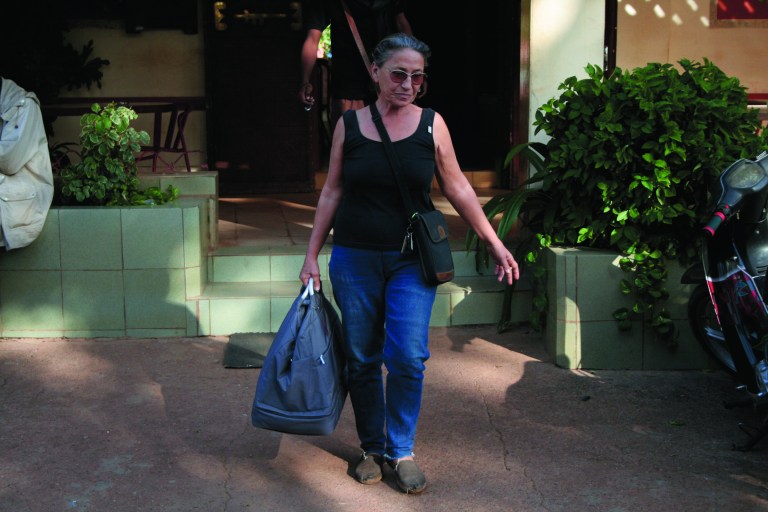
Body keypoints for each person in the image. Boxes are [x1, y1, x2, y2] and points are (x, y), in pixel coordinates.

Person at [299, 33, 520, 494]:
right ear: (376, 72)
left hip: (410, 261)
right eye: (398, 74)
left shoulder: (431, 124)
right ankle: (371, 448)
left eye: (417, 77)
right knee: (361, 358)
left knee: (407, 357)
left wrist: (494, 241)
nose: (407, 84)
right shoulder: (350, 124)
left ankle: (402, 450)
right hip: (355, 258)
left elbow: (457, 185)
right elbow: (333, 191)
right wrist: (310, 256)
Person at [298, 0, 412, 128]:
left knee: (352, 141)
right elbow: (402, 25)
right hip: (386, 78)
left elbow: (313, 38)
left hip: (351, 83)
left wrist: (305, 81)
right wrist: (414, 71)